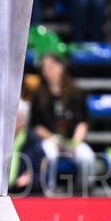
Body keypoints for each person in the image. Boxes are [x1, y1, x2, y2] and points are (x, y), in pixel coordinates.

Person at [30, 53, 95, 194]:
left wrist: (75, 142)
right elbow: (36, 125)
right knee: (49, 155)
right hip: (50, 139)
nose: (49, 70)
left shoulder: (75, 92)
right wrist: (53, 139)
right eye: (45, 67)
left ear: (61, 67)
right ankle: (48, 189)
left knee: (87, 157)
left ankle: (84, 190)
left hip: (72, 139)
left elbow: (83, 121)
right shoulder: (38, 94)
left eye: (52, 66)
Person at [9, 99, 46, 195]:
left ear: (23, 122)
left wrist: (31, 178)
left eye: (13, 118)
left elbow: (44, 173)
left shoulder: (33, 141)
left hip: (25, 193)